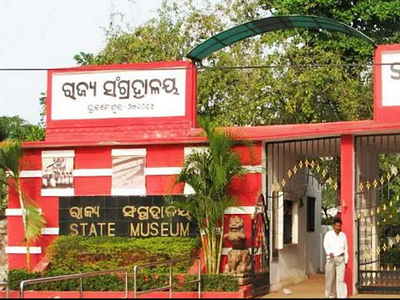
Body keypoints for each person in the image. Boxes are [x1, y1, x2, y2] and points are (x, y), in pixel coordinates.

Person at [323, 218, 348, 298]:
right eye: (337, 226)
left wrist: (346, 260)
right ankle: (329, 294)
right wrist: (329, 252)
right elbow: (325, 245)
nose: (338, 228)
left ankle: (341, 296)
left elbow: (346, 248)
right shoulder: (328, 234)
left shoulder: (343, 235)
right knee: (329, 278)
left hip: (341, 258)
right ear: (334, 226)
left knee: (340, 279)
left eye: (339, 226)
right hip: (331, 258)